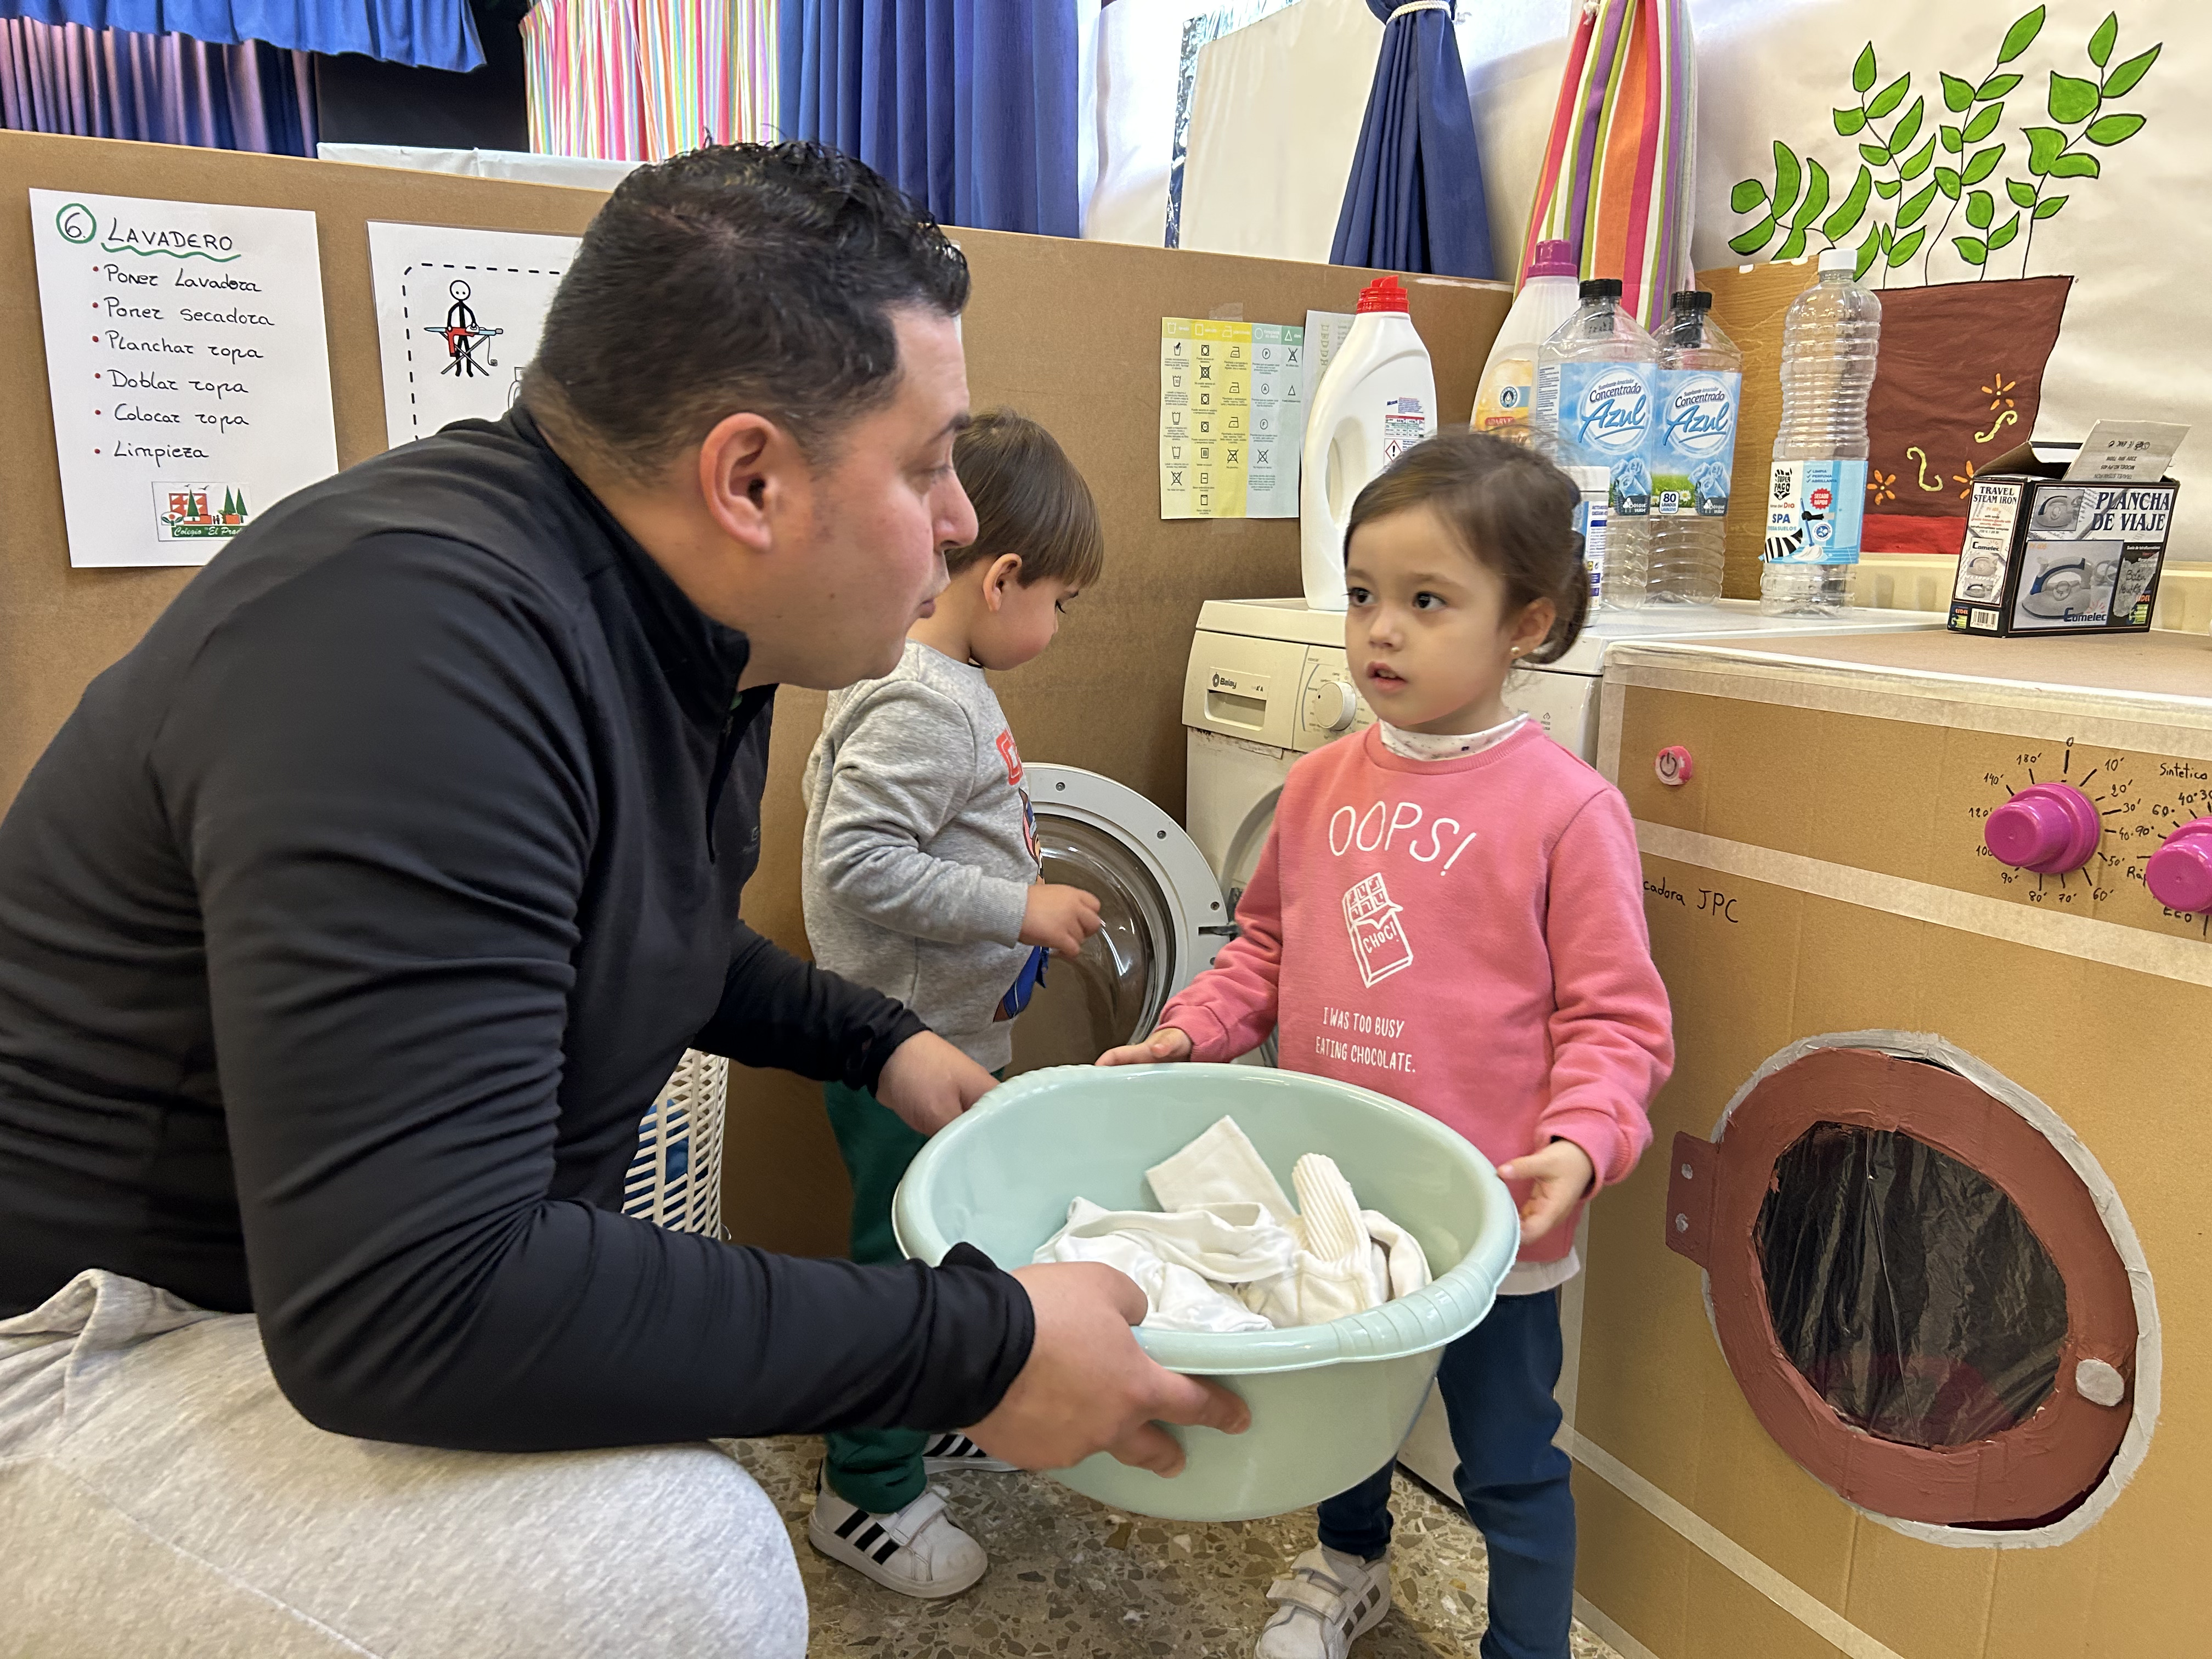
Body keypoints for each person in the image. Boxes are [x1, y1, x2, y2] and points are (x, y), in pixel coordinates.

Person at [0, 143, 1243, 1658]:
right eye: (925, 463)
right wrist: (980, 1348)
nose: (964, 521)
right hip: (83, 1344)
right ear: (750, 479)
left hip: (305, 1292)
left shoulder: (684, 636)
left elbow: (619, 933)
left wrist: (870, 1040)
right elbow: (418, 1307)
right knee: (680, 1567)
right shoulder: (416, 647)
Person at [1100, 432, 1673, 1659]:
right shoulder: (1315, 788)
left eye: (1427, 601)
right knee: (1339, 1419)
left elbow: (1616, 1018)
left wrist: (1584, 1144)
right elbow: (1261, 950)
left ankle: (1528, 1647)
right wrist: (1188, 1033)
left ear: (1527, 623)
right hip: (1333, 1196)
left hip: (1493, 1220)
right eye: (1364, 596)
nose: (1382, 631)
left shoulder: (1568, 811)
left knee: (1510, 1461)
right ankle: (1349, 1563)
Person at [799, 409, 1108, 1595]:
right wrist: (1016, 907)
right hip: (899, 1050)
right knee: (898, 1264)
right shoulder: (927, 698)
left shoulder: (934, 676)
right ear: (1003, 577)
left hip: (936, 1036)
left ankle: (922, 1407)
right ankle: (863, 1494)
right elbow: (856, 863)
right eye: (1061, 602)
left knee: (940, 1244)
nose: (1057, 625)